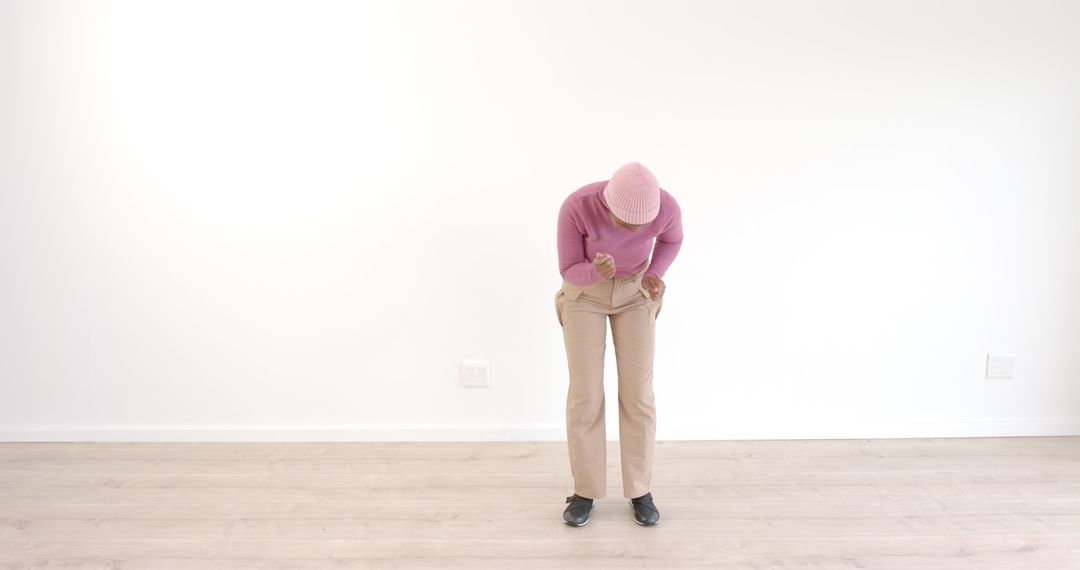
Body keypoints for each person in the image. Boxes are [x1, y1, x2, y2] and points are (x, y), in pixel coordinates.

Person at [554, 161, 684, 527]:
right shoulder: (577, 206)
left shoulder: (667, 208)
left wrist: (655, 274)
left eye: (642, 225)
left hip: (635, 292)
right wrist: (597, 271)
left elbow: (673, 239)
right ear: (608, 206)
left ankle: (640, 489)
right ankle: (585, 490)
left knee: (639, 394)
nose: (635, 230)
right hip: (585, 293)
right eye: (626, 223)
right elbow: (568, 269)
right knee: (586, 394)